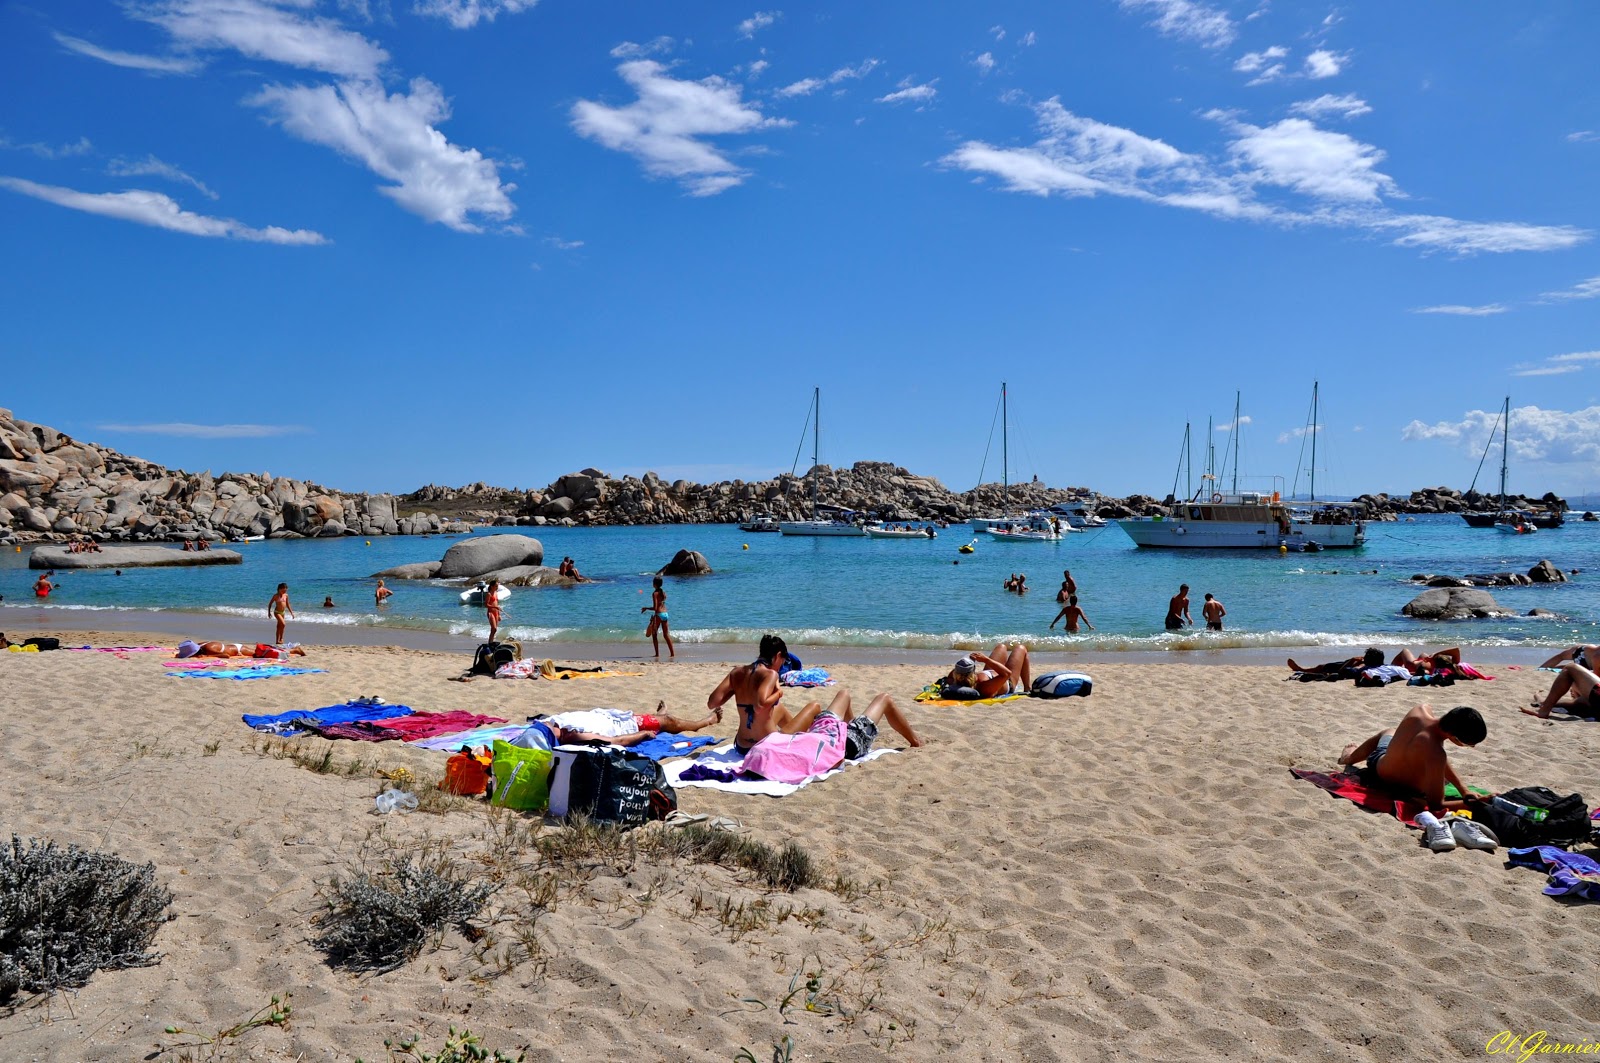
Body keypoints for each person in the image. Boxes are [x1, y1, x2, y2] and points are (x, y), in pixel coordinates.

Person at [1338, 704, 1490, 815]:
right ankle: (1349, 757)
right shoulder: (1436, 754)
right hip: (1398, 785)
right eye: (1468, 744)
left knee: (1388, 732)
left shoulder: (1420, 710)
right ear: (1453, 737)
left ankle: (1349, 758)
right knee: (1432, 758)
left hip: (1381, 765)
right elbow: (1436, 805)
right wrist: (1474, 804)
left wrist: (1464, 790)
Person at [708, 634, 845, 752]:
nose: (781, 667)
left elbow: (712, 703)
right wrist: (779, 692)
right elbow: (760, 704)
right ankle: (803, 735)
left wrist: (736, 689)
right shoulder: (771, 674)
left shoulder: (736, 672)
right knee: (815, 706)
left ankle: (801, 733)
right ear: (778, 656)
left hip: (741, 745)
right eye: (783, 662)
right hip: (765, 745)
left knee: (778, 708)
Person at [521, 701, 721, 748]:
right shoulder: (574, 736)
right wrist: (643, 735)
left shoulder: (554, 722)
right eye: (547, 727)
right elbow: (616, 741)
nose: (548, 723)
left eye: (545, 724)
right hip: (622, 726)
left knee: (652, 719)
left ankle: (658, 717)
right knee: (667, 722)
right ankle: (701, 723)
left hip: (608, 716)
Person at [944, 643, 1032, 698]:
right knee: (1021, 648)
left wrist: (966, 661)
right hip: (1007, 681)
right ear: (972, 672)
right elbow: (1007, 674)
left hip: (989, 672)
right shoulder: (984, 687)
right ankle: (1027, 688)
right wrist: (986, 660)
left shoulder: (955, 680)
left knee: (1001, 646)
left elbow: (955, 672)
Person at [1524, 661, 1600, 719]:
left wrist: (1541, 699)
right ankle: (1545, 709)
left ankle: (1544, 711)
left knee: (1570, 667)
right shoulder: (1584, 701)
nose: (1570, 691)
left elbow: (1544, 702)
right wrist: (1537, 695)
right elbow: (1543, 702)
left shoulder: (1589, 700)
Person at [642, 576, 673, 658]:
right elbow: (661, 603)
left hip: (659, 615)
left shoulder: (655, 593)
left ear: (655, 584)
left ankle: (657, 654)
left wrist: (646, 608)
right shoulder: (663, 593)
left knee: (654, 635)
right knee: (666, 635)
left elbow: (655, 608)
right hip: (665, 614)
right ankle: (672, 654)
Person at [177, 640, 307, 659]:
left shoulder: (209, 650)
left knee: (261, 654)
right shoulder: (203, 644)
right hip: (235, 646)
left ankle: (294, 651)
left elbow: (225, 656)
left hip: (239, 650)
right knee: (262, 653)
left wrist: (208, 657)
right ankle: (292, 650)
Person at [484, 578, 502, 643]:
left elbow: (497, 604)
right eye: (496, 586)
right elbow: (486, 605)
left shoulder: (496, 593)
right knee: (494, 628)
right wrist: (494, 606)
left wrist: (499, 614)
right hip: (491, 612)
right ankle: (490, 642)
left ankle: (491, 642)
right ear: (492, 586)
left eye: (497, 586)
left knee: (494, 630)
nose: (497, 587)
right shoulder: (489, 594)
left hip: (496, 612)